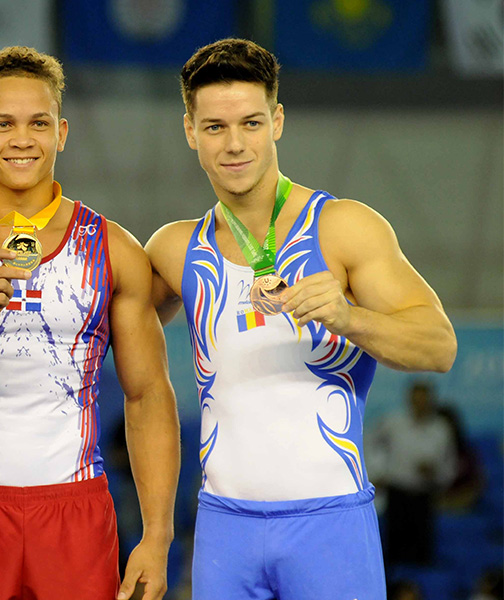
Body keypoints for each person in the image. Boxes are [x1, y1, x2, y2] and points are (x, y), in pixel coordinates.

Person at [145, 38, 457, 600]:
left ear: (278, 121)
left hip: (329, 526)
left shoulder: (343, 227)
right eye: (214, 127)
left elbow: (438, 346)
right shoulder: (173, 250)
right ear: (190, 131)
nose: (234, 144)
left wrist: (348, 317)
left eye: (251, 123)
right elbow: (100, 330)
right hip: (224, 531)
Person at [0, 46, 180, 600]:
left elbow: (148, 397)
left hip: (77, 509)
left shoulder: (114, 248)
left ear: (62, 132)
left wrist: (157, 535)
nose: (22, 139)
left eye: (38, 123)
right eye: (3, 123)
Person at [370, 381, 457, 568]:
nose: (419, 404)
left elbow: (450, 466)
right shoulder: (393, 423)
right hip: (396, 494)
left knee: (422, 555)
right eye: (416, 399)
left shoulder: (441, 429)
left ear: (431, 400)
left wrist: (436, 473)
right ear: (409, 399)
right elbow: (370, 443)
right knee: (393, 553)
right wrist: (377, 473)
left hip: (424, 496)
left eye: (423, 400)